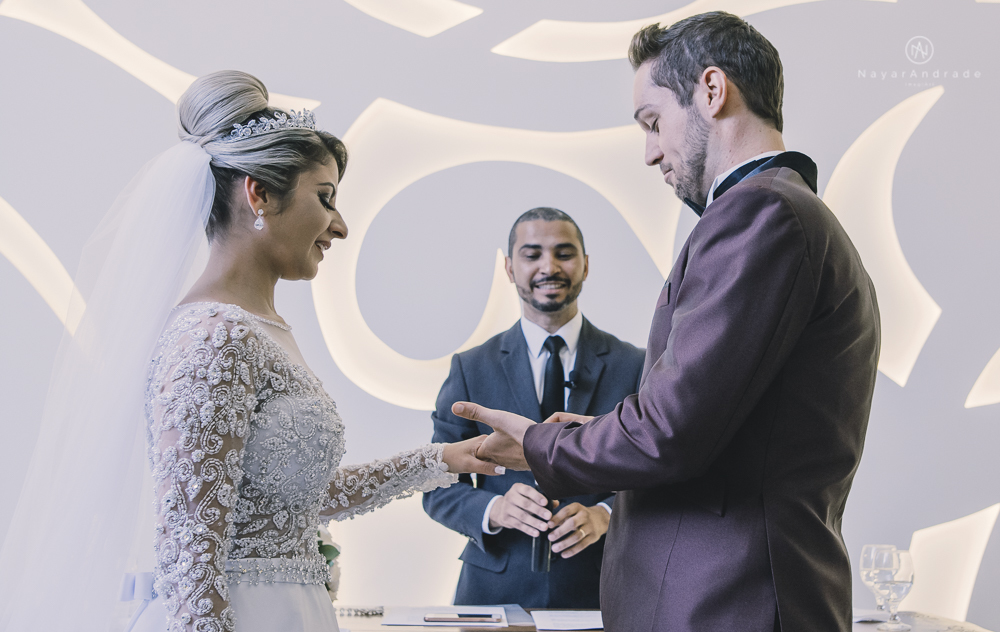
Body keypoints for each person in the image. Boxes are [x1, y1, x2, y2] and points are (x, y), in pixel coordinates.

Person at [0, 70, 502, 632]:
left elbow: (288, 498)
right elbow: (191, 560)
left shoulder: (260, 330)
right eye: (326, 198)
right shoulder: (215, 338)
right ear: (258, 193)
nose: (339, 226)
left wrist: (446, 459)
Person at [451, 12, 881, 632]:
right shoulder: (785, 212)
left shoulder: (761, 213)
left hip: (728, 603)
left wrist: (540, 446)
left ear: (712, 90)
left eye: (653, 122)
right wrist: (597, 432)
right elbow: (715, 426)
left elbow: (669, 432)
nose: (651, 152)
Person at [422, 208, 644, 608]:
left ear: (586, 265)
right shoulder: (470, 367)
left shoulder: (636, 365)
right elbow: (437, 484)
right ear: (510, 268)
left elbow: (659, 473)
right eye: (532, 254)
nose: (549, 267)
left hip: (604, 590)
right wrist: (495, 508)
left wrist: (606, 515)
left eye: (564, 253)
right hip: (492, 593)